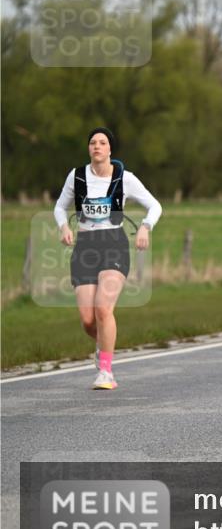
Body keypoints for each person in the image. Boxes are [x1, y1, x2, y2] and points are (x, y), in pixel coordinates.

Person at [53, 127, 162, 390]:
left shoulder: (125, 178)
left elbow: (155, 205)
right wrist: (64, 227)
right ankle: (103, 347)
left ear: (110, 150)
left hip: (113, 244)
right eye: (93, 143)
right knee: (88, 320)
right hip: (85, 247)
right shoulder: (76, 176)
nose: (97, 147)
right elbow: (59, 206)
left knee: (104, 309)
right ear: (89, 149)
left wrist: (145, 227)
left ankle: (106, 372)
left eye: (102, 143)